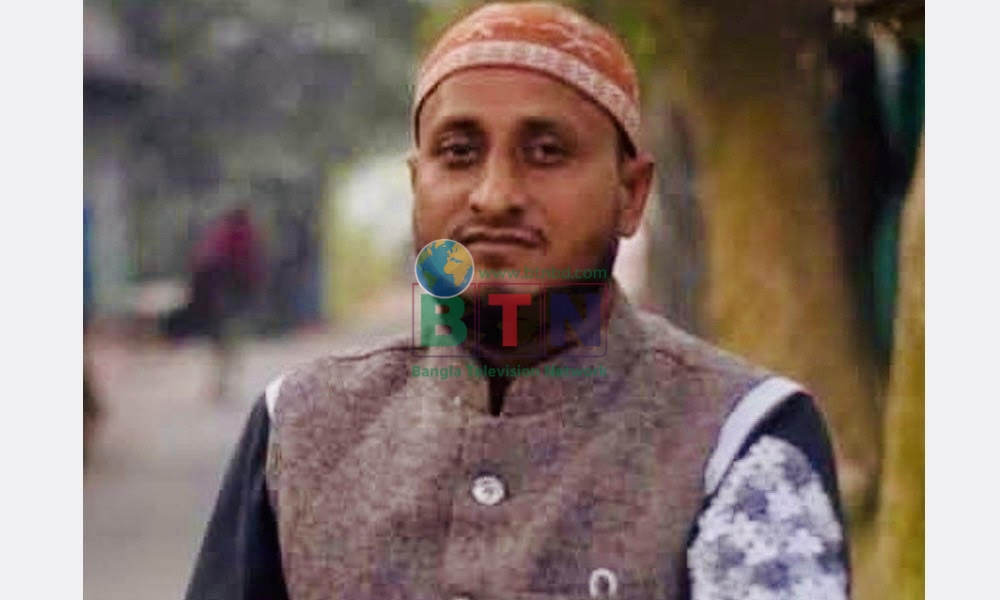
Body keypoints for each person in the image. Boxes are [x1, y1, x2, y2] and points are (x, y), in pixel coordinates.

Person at [186, 3, 850, 599]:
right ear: (418, 185)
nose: (495, 195)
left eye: (546, 152)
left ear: (631, 194)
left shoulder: (738, 436)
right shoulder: (300, 426)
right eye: (458, 152)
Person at [163, 206, 265, 401]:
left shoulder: (220, 236)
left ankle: (220, 383)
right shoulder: (242, 236)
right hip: (230, 296)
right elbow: (253, 269)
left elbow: (202, 266)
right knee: (228, 340)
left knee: (222, 341)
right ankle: (222, 382)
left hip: (221, 297)